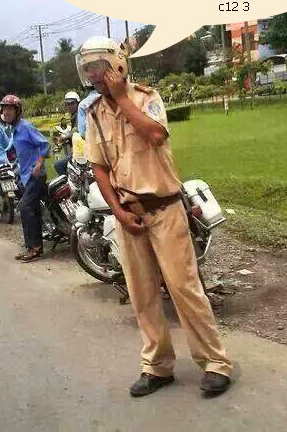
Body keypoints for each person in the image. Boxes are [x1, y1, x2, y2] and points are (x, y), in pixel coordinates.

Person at [80, 36, 232, 398]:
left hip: (165, 209)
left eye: (99, 67)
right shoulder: (94, 114)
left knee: (184, 288)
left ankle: (215, 363)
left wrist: (122, 99)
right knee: (142, 295)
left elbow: (155, 134)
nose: (94, 76)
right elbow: (99, 167)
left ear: (118, 64)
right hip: (128, 216)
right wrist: (118, 211)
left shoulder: (147, 98)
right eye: (88, 70)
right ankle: (157, 367)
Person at [0, 95, 50, 261]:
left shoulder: (26, 127)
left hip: (35, 175)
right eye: (4, 109)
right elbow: (15, 151)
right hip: (25, 176)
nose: (6, 112)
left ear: (17, 111)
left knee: (25, 208)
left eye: (9, 109)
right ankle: (36, 246)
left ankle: (33, 247)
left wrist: (39, 163)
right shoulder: (14, 130)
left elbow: (44, 144)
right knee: (34, 209)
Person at [52, 91, 82, 177]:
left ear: (78, 103)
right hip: (78, 149)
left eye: (72, 103)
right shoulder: (73, 116)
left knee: (58, 165)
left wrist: (64, 136)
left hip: (83, 151)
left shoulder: (80, 114)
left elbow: (76, 130)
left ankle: (70, 182)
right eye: (67, 104)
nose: (69, 106)